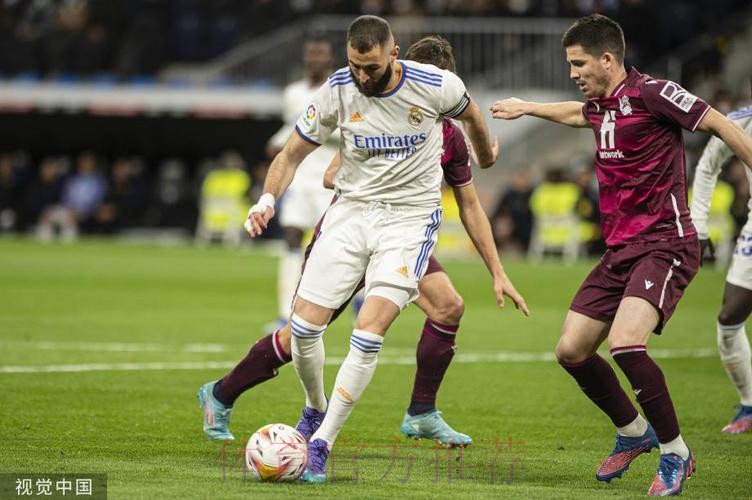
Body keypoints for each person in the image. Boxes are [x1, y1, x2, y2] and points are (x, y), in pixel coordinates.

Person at [198, 32, 527, 457]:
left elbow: (470, 205)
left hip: (401, 234)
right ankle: (222, 393)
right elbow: (329, 174)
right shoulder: (376, 109)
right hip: (353, 229)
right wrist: (380, 173)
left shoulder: (449, 136)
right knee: (302, 333)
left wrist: (497, 270)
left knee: (448, 306)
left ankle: (421, 411)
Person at [491, 14, 752, 496]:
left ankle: (676, 453)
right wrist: (527, 108)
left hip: (666, 243)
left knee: (627, 344)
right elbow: (577, 114)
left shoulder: (655, 93)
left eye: (578, 63)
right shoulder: (600, 105)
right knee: (571, 351)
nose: (573, 72)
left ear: (607, 59)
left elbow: (719, 123)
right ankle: (634, 431)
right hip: (620, 249)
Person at [264, 36, 340, 332]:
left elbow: (346, 131)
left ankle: (355, 304)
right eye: (312, 54)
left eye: (321, 54)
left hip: (329, 180)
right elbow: (292, 126)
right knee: (292, 239)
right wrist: (278, 143)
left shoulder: (339, 89)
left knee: (334, 247)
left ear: (330, 59)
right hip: (299, 179)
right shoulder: (293, 93)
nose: (315, 59)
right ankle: (286, 313)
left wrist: (315, 134)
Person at [690, 103, 752, 434]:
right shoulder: (740, 120)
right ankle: (749, 405)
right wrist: (699, 225)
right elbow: (707, 165)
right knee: (729, 320)